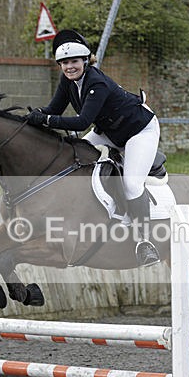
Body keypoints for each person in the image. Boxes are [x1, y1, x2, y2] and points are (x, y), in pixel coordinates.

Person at [26, 30, 161, 267]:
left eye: (74, 62)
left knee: (132, 183)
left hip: (139, 131)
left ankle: (145, 242)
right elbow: (53, 110)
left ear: (85, 61)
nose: (69, 67)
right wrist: (32, 117)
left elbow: (81, 122)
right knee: (73, 157)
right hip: (109, 132)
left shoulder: (96, 82)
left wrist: (45, 121)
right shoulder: (67, 82)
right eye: (65, 63)